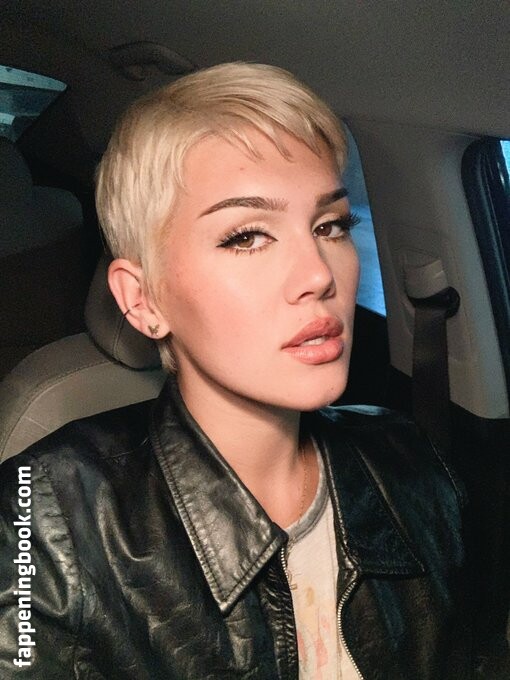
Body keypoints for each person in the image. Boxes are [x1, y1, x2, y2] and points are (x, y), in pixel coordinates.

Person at [0, 62, 472, 679]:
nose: (318, 275)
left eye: (330, 226)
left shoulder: (411, 463)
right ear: (143, 300)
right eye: (246, 236)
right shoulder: (38, 522)